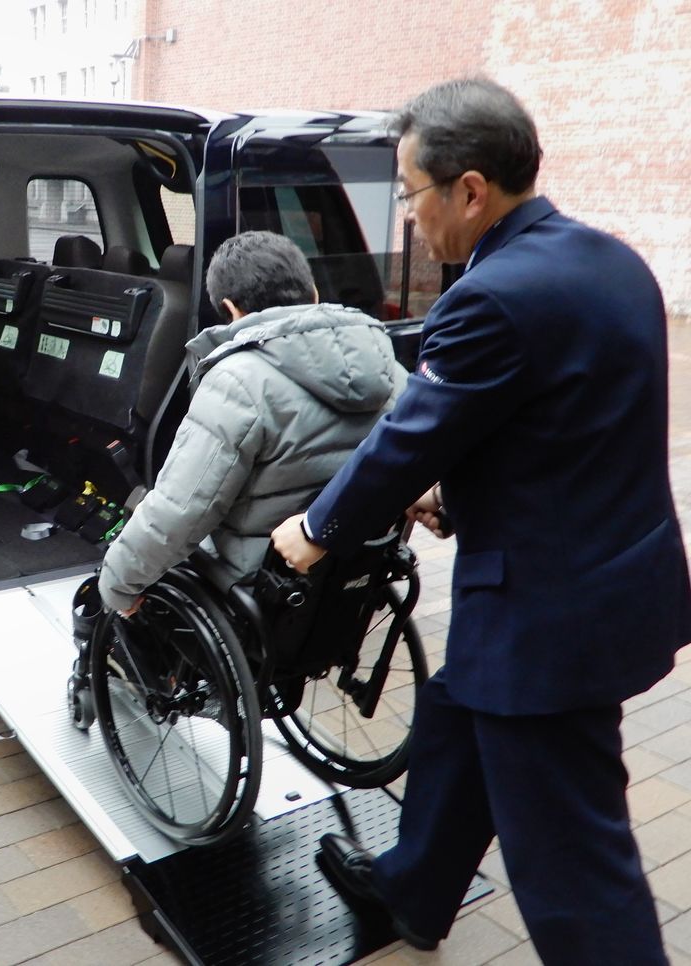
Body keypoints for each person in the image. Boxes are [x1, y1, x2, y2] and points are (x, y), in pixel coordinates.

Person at [272, 78, 691, 964]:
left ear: (470, 189)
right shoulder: (613, 262)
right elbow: (566, 432)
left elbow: (404, 441)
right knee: (460, 706)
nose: (412, 219)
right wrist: (457, 498)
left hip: (548, 625)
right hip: (616, 584)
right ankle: (416, 889)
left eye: (413, 194)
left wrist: (316, 530)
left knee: (576, 865)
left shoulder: (490, 296)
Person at [96, 230, 406, 615]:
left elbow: (180, 512)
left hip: (259, 588)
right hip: (353, 575)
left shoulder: (237, 380)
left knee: (147, 530)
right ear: (311, 293)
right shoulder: (389, 366)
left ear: (230, 309)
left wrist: (117, 584)